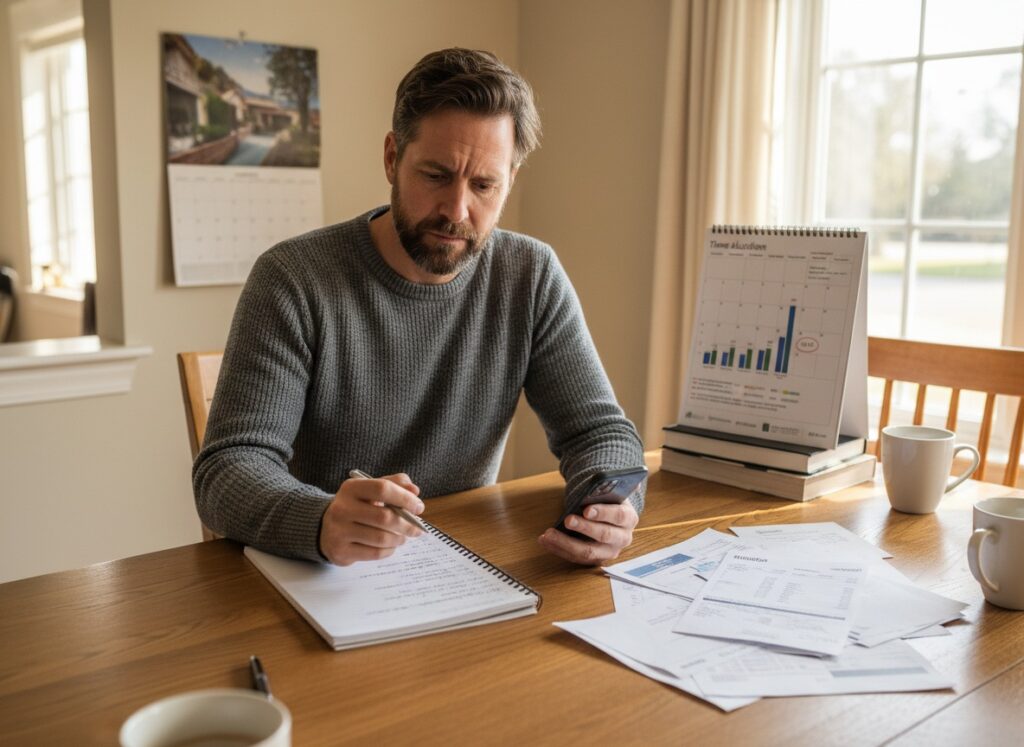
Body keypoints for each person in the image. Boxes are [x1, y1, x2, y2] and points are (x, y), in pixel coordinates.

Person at [194, 48, 645, 567]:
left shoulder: (531, 274)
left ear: (510, 181)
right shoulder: (293, 279)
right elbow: (227, 469)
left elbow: (600, 433)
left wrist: (610, 506)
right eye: (435, 175)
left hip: (461, 567)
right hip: (317, 576)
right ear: (392, 157)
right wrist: (318, 521)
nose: (457, 210)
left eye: (483, 185)